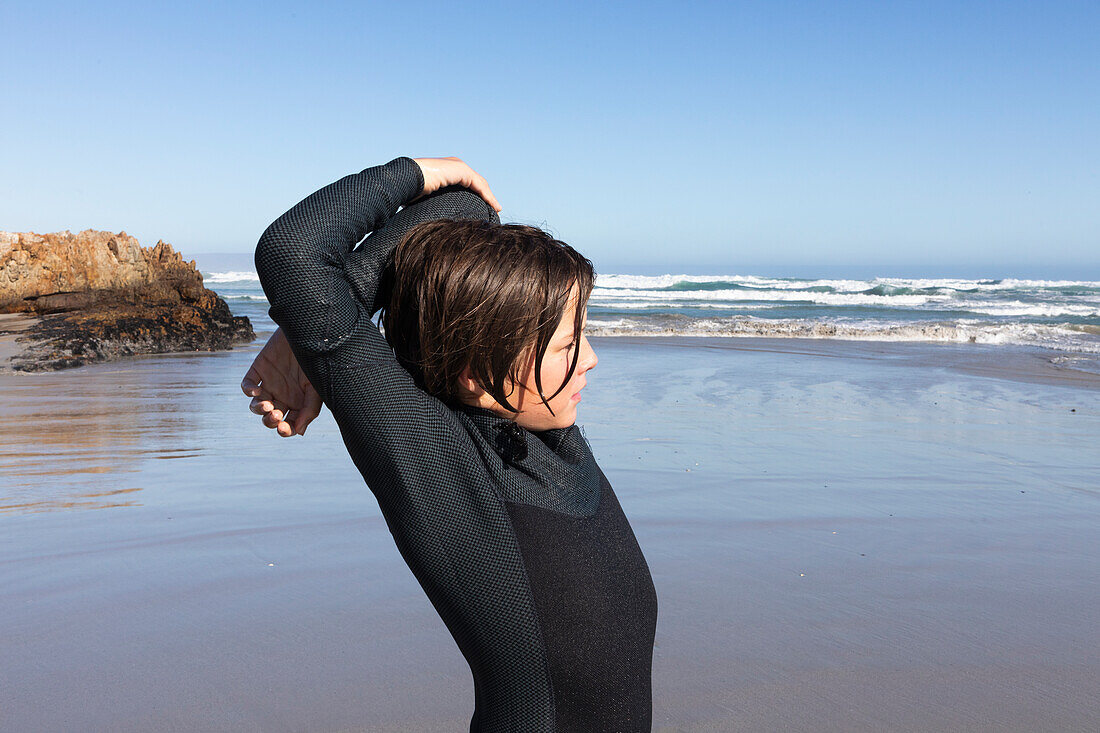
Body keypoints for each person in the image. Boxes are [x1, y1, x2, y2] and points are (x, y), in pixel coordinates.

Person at [242, 157, 658, 732]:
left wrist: (301, 343)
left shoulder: (552, 442)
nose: (590, 358)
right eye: (567, 345)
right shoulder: (435, 455)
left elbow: (470, 213)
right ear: (475, 370)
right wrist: (423, 170)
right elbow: (293, 250)